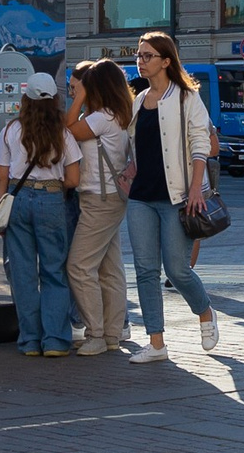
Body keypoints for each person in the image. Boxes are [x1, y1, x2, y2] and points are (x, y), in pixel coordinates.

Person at [125, 33, 220, 362]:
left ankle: (205, 311)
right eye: (139, 55)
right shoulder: (139, 100)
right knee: (145, 270)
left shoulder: (186, 97)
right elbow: (137, 146)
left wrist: (195, 188)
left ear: (166, 61)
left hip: (177, 196)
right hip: (141, 197)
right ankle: (156, 343)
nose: (141, 61)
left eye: (148, 56)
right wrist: (129, 169)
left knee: (177, 270)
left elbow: (201, 143)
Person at [0, 72, 81, 356]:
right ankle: (55, 340)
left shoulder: (11, 130)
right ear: (55, 100)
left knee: (23, 273)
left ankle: (30, 340)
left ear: (25, 99)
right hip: (51, 198)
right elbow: (73, 179)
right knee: (54, 271)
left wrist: (1, 209)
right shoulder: (64, 134)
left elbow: (0, 176)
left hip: (17, 199)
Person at [64, 60, 135, 355]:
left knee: (79, 266)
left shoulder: (102, 117)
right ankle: (112, 334)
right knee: (109, 269)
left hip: (99, 199)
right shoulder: (118, 114)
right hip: (110, 198)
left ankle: (95, 334)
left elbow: (68, 128)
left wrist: (80, 96)